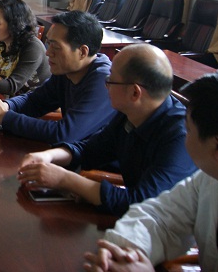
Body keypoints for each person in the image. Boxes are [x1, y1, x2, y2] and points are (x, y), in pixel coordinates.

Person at [83, 68, 218, 272]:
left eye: (188, 129)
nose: (184, 135)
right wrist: (125, 253)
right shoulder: (209, 179)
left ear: (217, 146)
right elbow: (158, 217)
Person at [17, 43, 196, 216]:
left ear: (135, 93)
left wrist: (66, 180)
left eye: (110, 81)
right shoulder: (130, 113)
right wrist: (49, 156)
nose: (106, 86)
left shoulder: (181, 136)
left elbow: (142, 202)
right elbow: (91, 150)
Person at [0, 10, 115, 144]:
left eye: (56, 47)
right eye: (48, 44)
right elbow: (34, 101)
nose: (48, 53)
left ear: (82, 52)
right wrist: (5, 106)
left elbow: (65, 133)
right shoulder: (67, 71)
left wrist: (3, 117)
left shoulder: (105, 81)